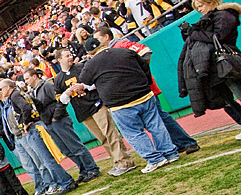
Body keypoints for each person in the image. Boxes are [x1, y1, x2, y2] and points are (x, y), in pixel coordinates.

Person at [77, 37, 179, 173]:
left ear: (90, 53)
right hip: (144, 95)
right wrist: (146, 84)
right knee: (156, 125)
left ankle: (155, 159)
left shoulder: (91, 64)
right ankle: (170, 153)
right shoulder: (124, 52)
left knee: (134, 133)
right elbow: (145, 67)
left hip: (120, 103)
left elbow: (85, 81)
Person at [94, 25, 200, 154]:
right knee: (156, 120)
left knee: (160, 117)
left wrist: (140, 73)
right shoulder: (110, 51)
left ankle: (186, 142)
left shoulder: (121, 45)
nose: (96, 43)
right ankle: (177, 143)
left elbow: (145, 51)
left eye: (98, 39)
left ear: (106, 37)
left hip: (143, 88)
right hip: (137, 90)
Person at [54, 47, 136, 176]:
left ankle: (125, 161)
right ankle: (116, 161)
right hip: (83, 111)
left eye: (70, 54)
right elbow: (61, 100)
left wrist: (84, 86)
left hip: (95, 104)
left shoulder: (81, 67)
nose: (70, 57)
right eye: (66, 55)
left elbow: (96, 82)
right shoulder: (58, 79)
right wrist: (66, 93)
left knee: (110, 134)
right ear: (59, 60)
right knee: (102, 138)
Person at [0, 79, 77, 195]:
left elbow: (26, 107)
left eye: (1, 88)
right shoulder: (20, 93)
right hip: (37, 125)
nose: (0, 91)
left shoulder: (14, 95)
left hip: (33, 129)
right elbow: (37, 103)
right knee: (46, 158)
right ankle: (65, 181)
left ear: (7, 87)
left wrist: (26, 122)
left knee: (46, 159)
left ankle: (65, 182)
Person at [178, 0, 241, 136]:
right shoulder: (213, 17)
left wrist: (193, 32)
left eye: (201, 6)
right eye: (197, 7)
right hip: (214, 65)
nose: (200, 10)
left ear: (210, 1)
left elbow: (217, 37)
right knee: (225, 100)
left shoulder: (225, 15)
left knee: (237, 92)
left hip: (226, 61)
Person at [23, 67, 100, 183]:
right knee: (66, 149)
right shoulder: (34, 91)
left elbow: (61, 100)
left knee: (75, 146)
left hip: (59, 120)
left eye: (27, 78)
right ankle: (83, 170)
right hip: (50, 122)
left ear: (35, 76)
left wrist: (56, 116)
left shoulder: (47, 86)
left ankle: (92, 168)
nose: (26, 81)